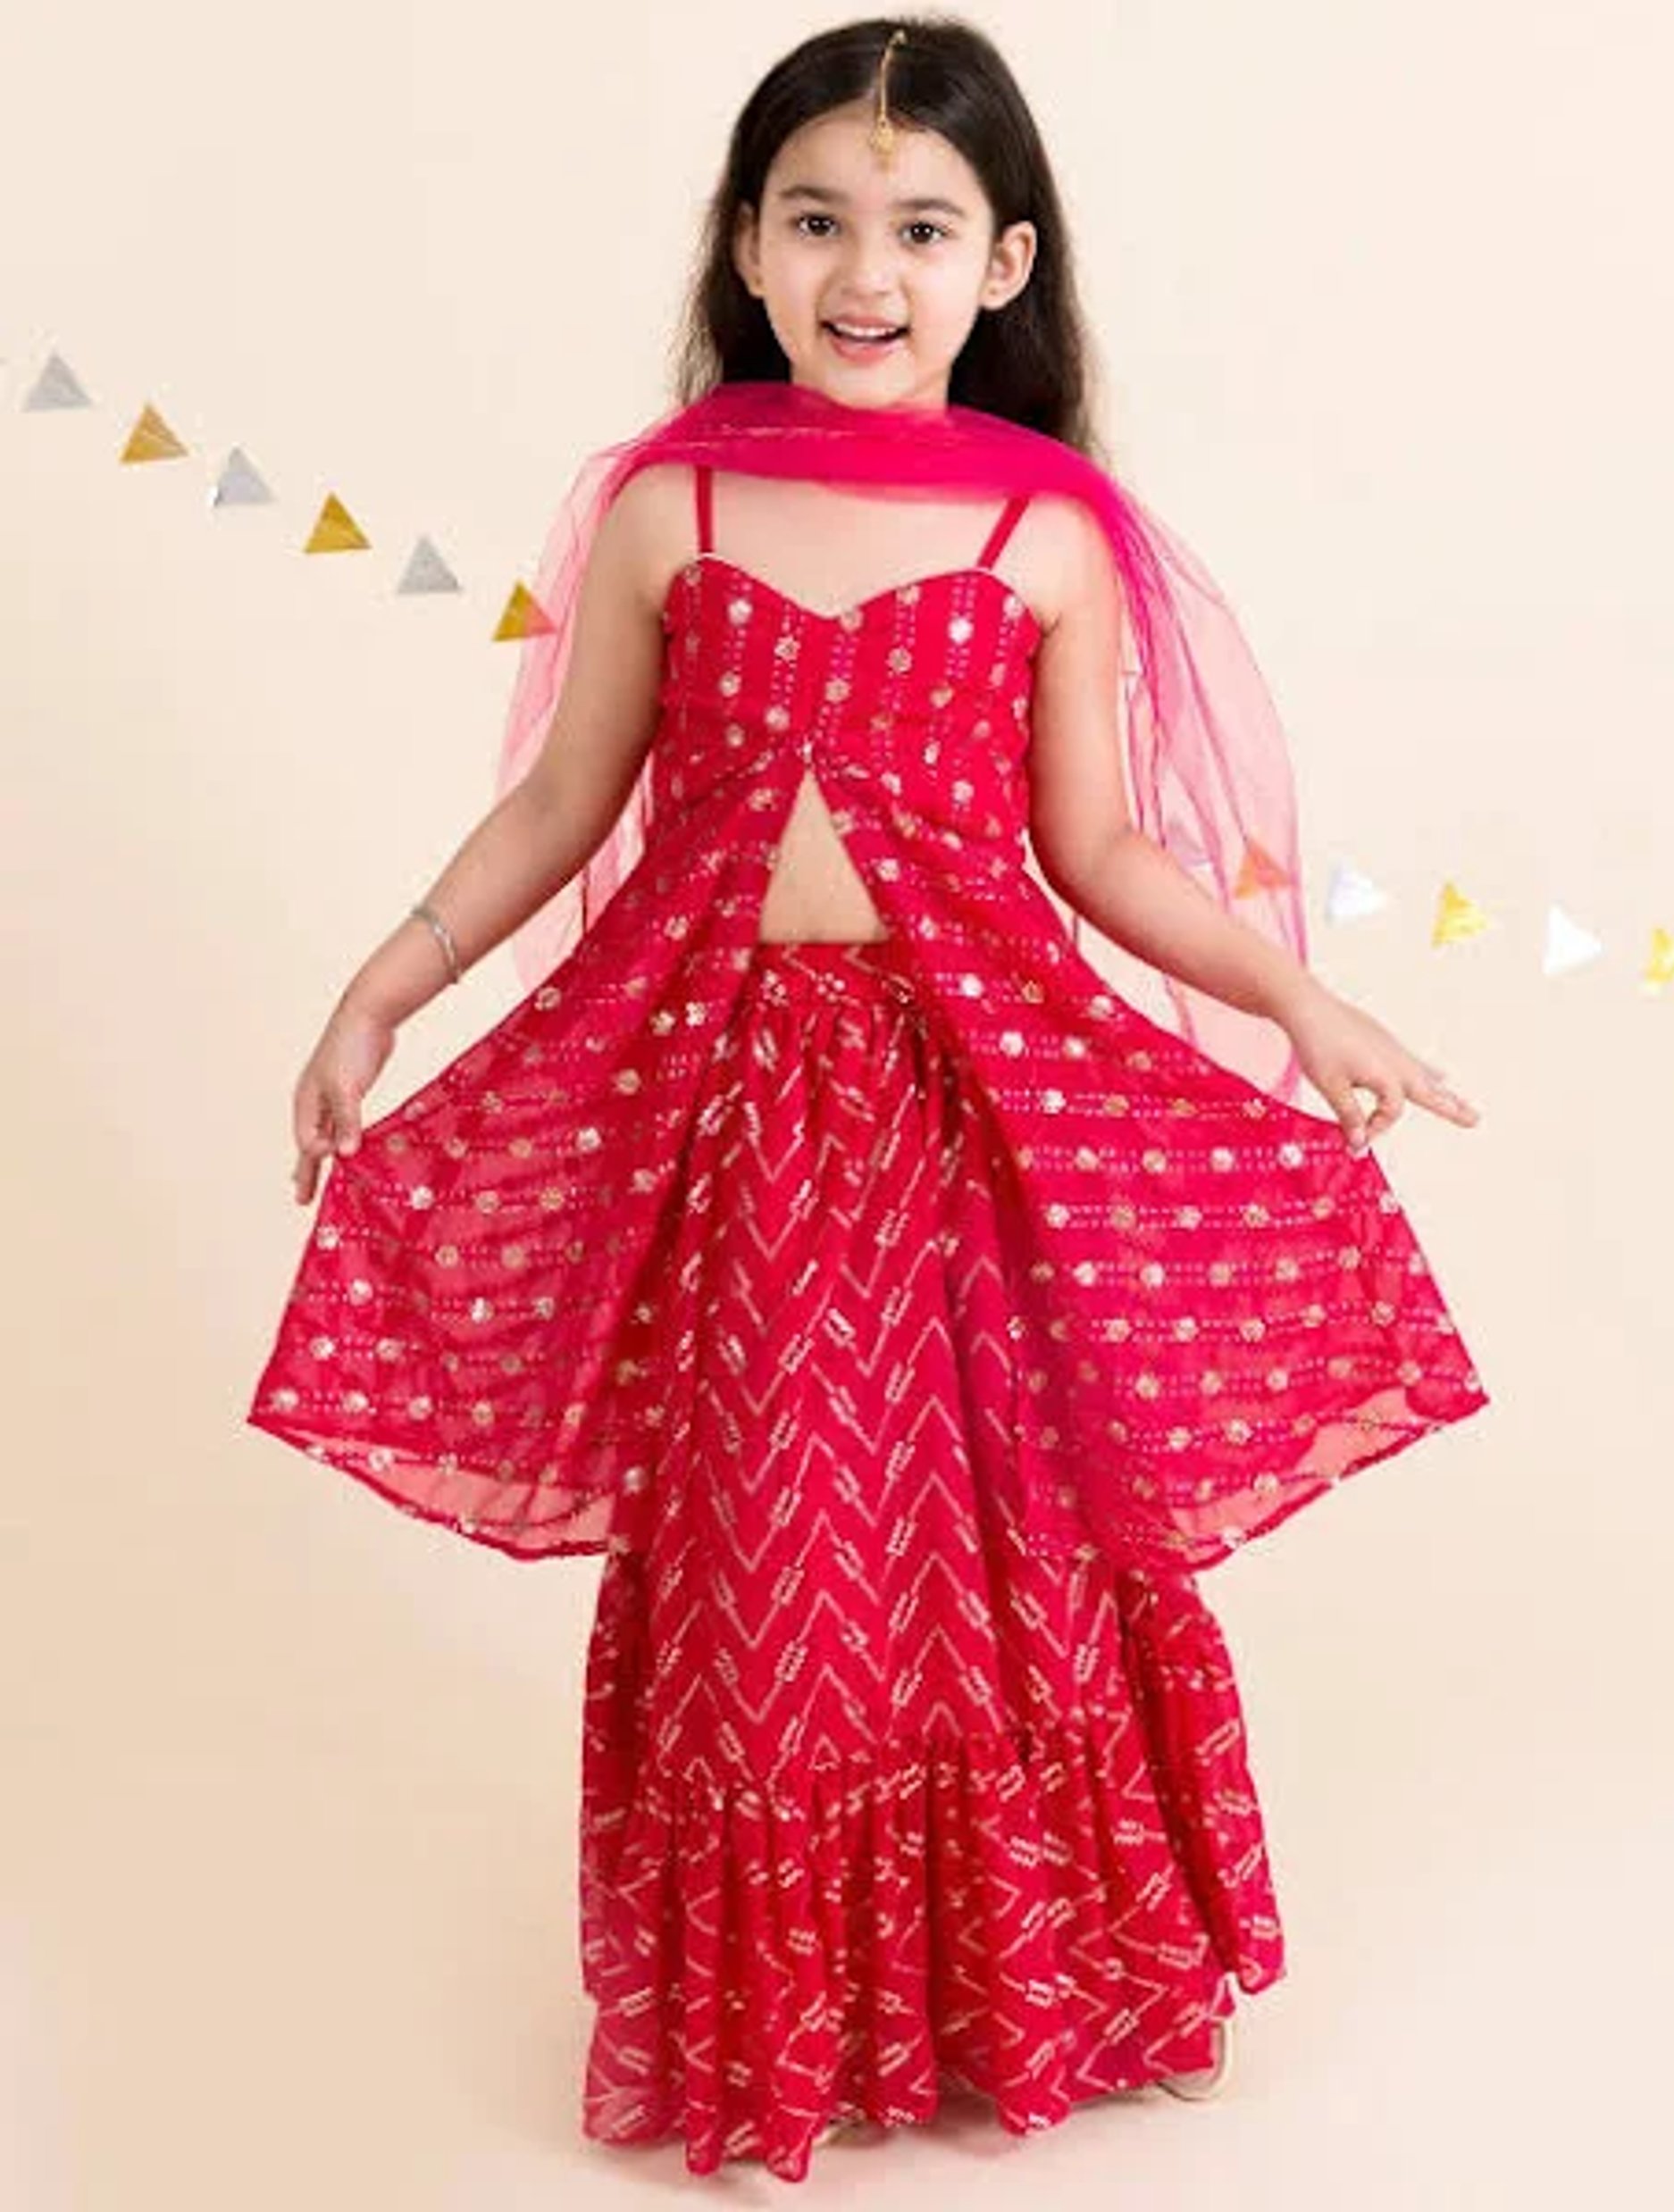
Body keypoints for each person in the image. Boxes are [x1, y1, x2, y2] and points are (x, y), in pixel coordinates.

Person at [246, 15, 1491, 2184]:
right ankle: (782, 2034)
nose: (863, 271)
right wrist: (386, 986)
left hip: (969, 1108)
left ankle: (1060, 1985)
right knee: (764, 1554)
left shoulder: (1050, 534)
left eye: (919, 229)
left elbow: (1103, 859)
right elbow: (563, 799)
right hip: (729, 1118)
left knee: (1015, 1541)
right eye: (816, 219)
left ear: (1004, 265)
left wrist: (1306, 1003)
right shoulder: (674, 507)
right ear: (746, 243)